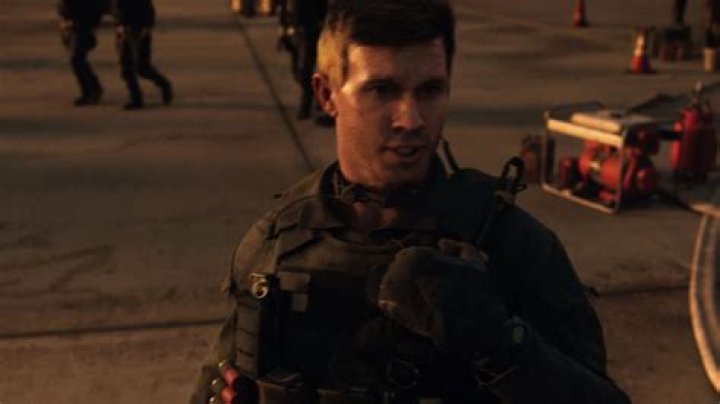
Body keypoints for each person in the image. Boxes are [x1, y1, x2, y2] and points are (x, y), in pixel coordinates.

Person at [190, 0, 631, 403]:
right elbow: (215, 383)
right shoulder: (277, 242)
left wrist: (502, 344)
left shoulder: (508, 242)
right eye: (382, 90)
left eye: (430, 90)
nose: (412, 119)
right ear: (326, 95)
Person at [112, 0, 173, 110]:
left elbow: (148, 9)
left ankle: (164, 84)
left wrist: (147, 27)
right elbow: (116, 10)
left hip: (138, 30)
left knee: (142, 68)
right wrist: (119, 26)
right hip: (124, 31)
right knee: (126, 68)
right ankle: (136, 98)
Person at [277, 0, 328, 121]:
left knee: (305, 68)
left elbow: (322, 6)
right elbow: (283, 6)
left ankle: (308, 104)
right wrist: (282, 25)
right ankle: (313, 100)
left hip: (309, 29)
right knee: (297, 70)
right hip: (294, 30)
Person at [57, 0, 105, 106]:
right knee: (78, 60)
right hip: (72, 24)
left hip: (82, 25)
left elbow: (97, 7)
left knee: (77, 59)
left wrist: (91, 24)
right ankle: (94, 88)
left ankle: (89, 91)